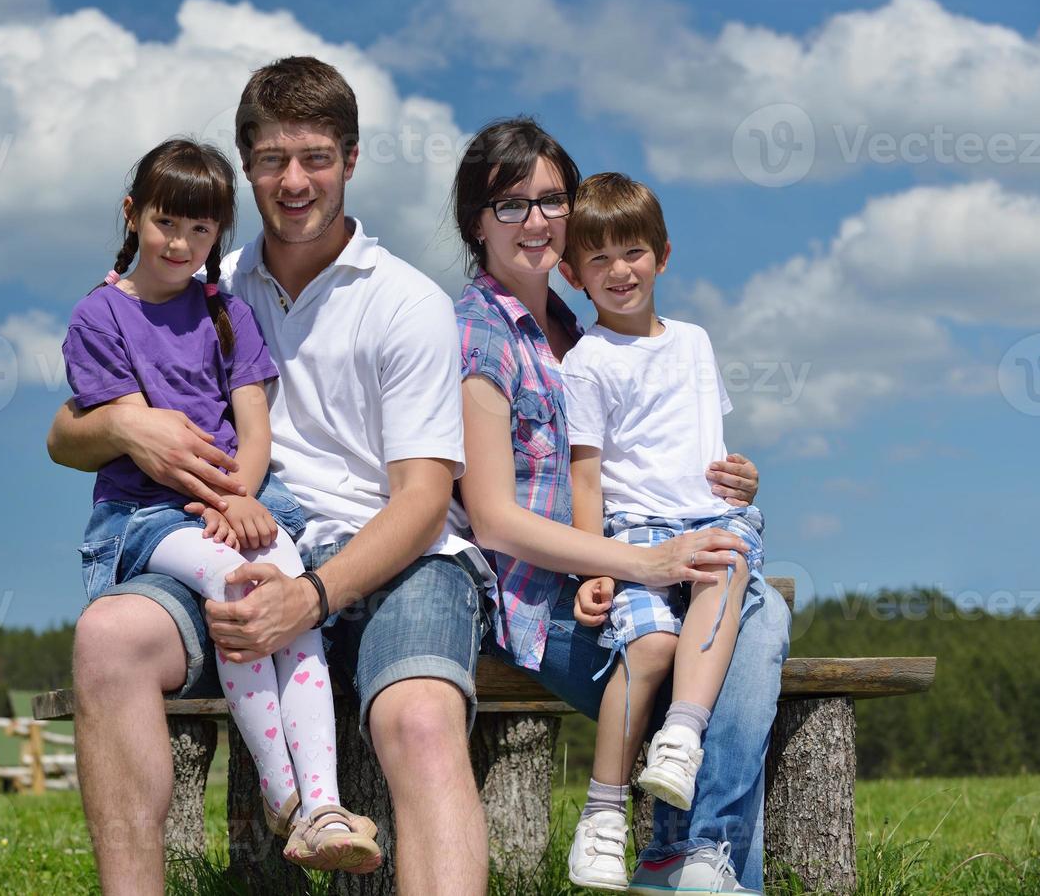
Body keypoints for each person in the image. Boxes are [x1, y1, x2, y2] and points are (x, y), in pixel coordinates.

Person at [49, 57, 492, 895]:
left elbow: (426, 498)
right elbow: (65, 436)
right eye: (273, 160)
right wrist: (119, 424)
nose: (295, 180)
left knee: (422, 718)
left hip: (391, 559)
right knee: (107, 639)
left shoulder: (406, 303)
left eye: (316, 157)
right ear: (246, 166)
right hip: (234, 540)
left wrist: (313, 596)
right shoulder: (206, 283)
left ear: (350, 160)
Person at [452, 118, 789, 896]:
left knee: (750, 608)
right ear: (477, 221)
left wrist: (732, 482)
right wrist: (640, 561)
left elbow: (661, 448)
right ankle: (691, 855)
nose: (535, 220)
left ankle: (688, 856)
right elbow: (498, 518)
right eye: (510, 204)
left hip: (623, 563)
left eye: (550, 200)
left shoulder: (568, 328)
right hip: (541, 601)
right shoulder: (480, 334)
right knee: (752, 620)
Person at [61, 137, 380, 873]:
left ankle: (322, 802)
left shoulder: (223, 312)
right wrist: (217, 505)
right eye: (167, 222)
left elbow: (254, 423)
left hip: (241, 497)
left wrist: (240, 497)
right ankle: (284, 796)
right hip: (149, 515)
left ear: (218, 236)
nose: (181, 242)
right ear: (132, 213)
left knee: (285, 587)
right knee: (232, 583)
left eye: (201, 230)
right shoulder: (101, 317)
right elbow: (146, 439)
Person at [554, 172, 768, 891]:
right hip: (635, 534)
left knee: (725, 571)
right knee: (646, 647)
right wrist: (599, 568)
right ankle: (604, 814)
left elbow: (707, 448)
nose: (619, 271)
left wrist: (743, 478)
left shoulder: (694, 344)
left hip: (710, 519)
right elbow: (586, 476)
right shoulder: (584, 365)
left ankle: (680, 735)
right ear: (572, 273)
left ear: (663, 255)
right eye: (598, 259)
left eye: (634, 252)